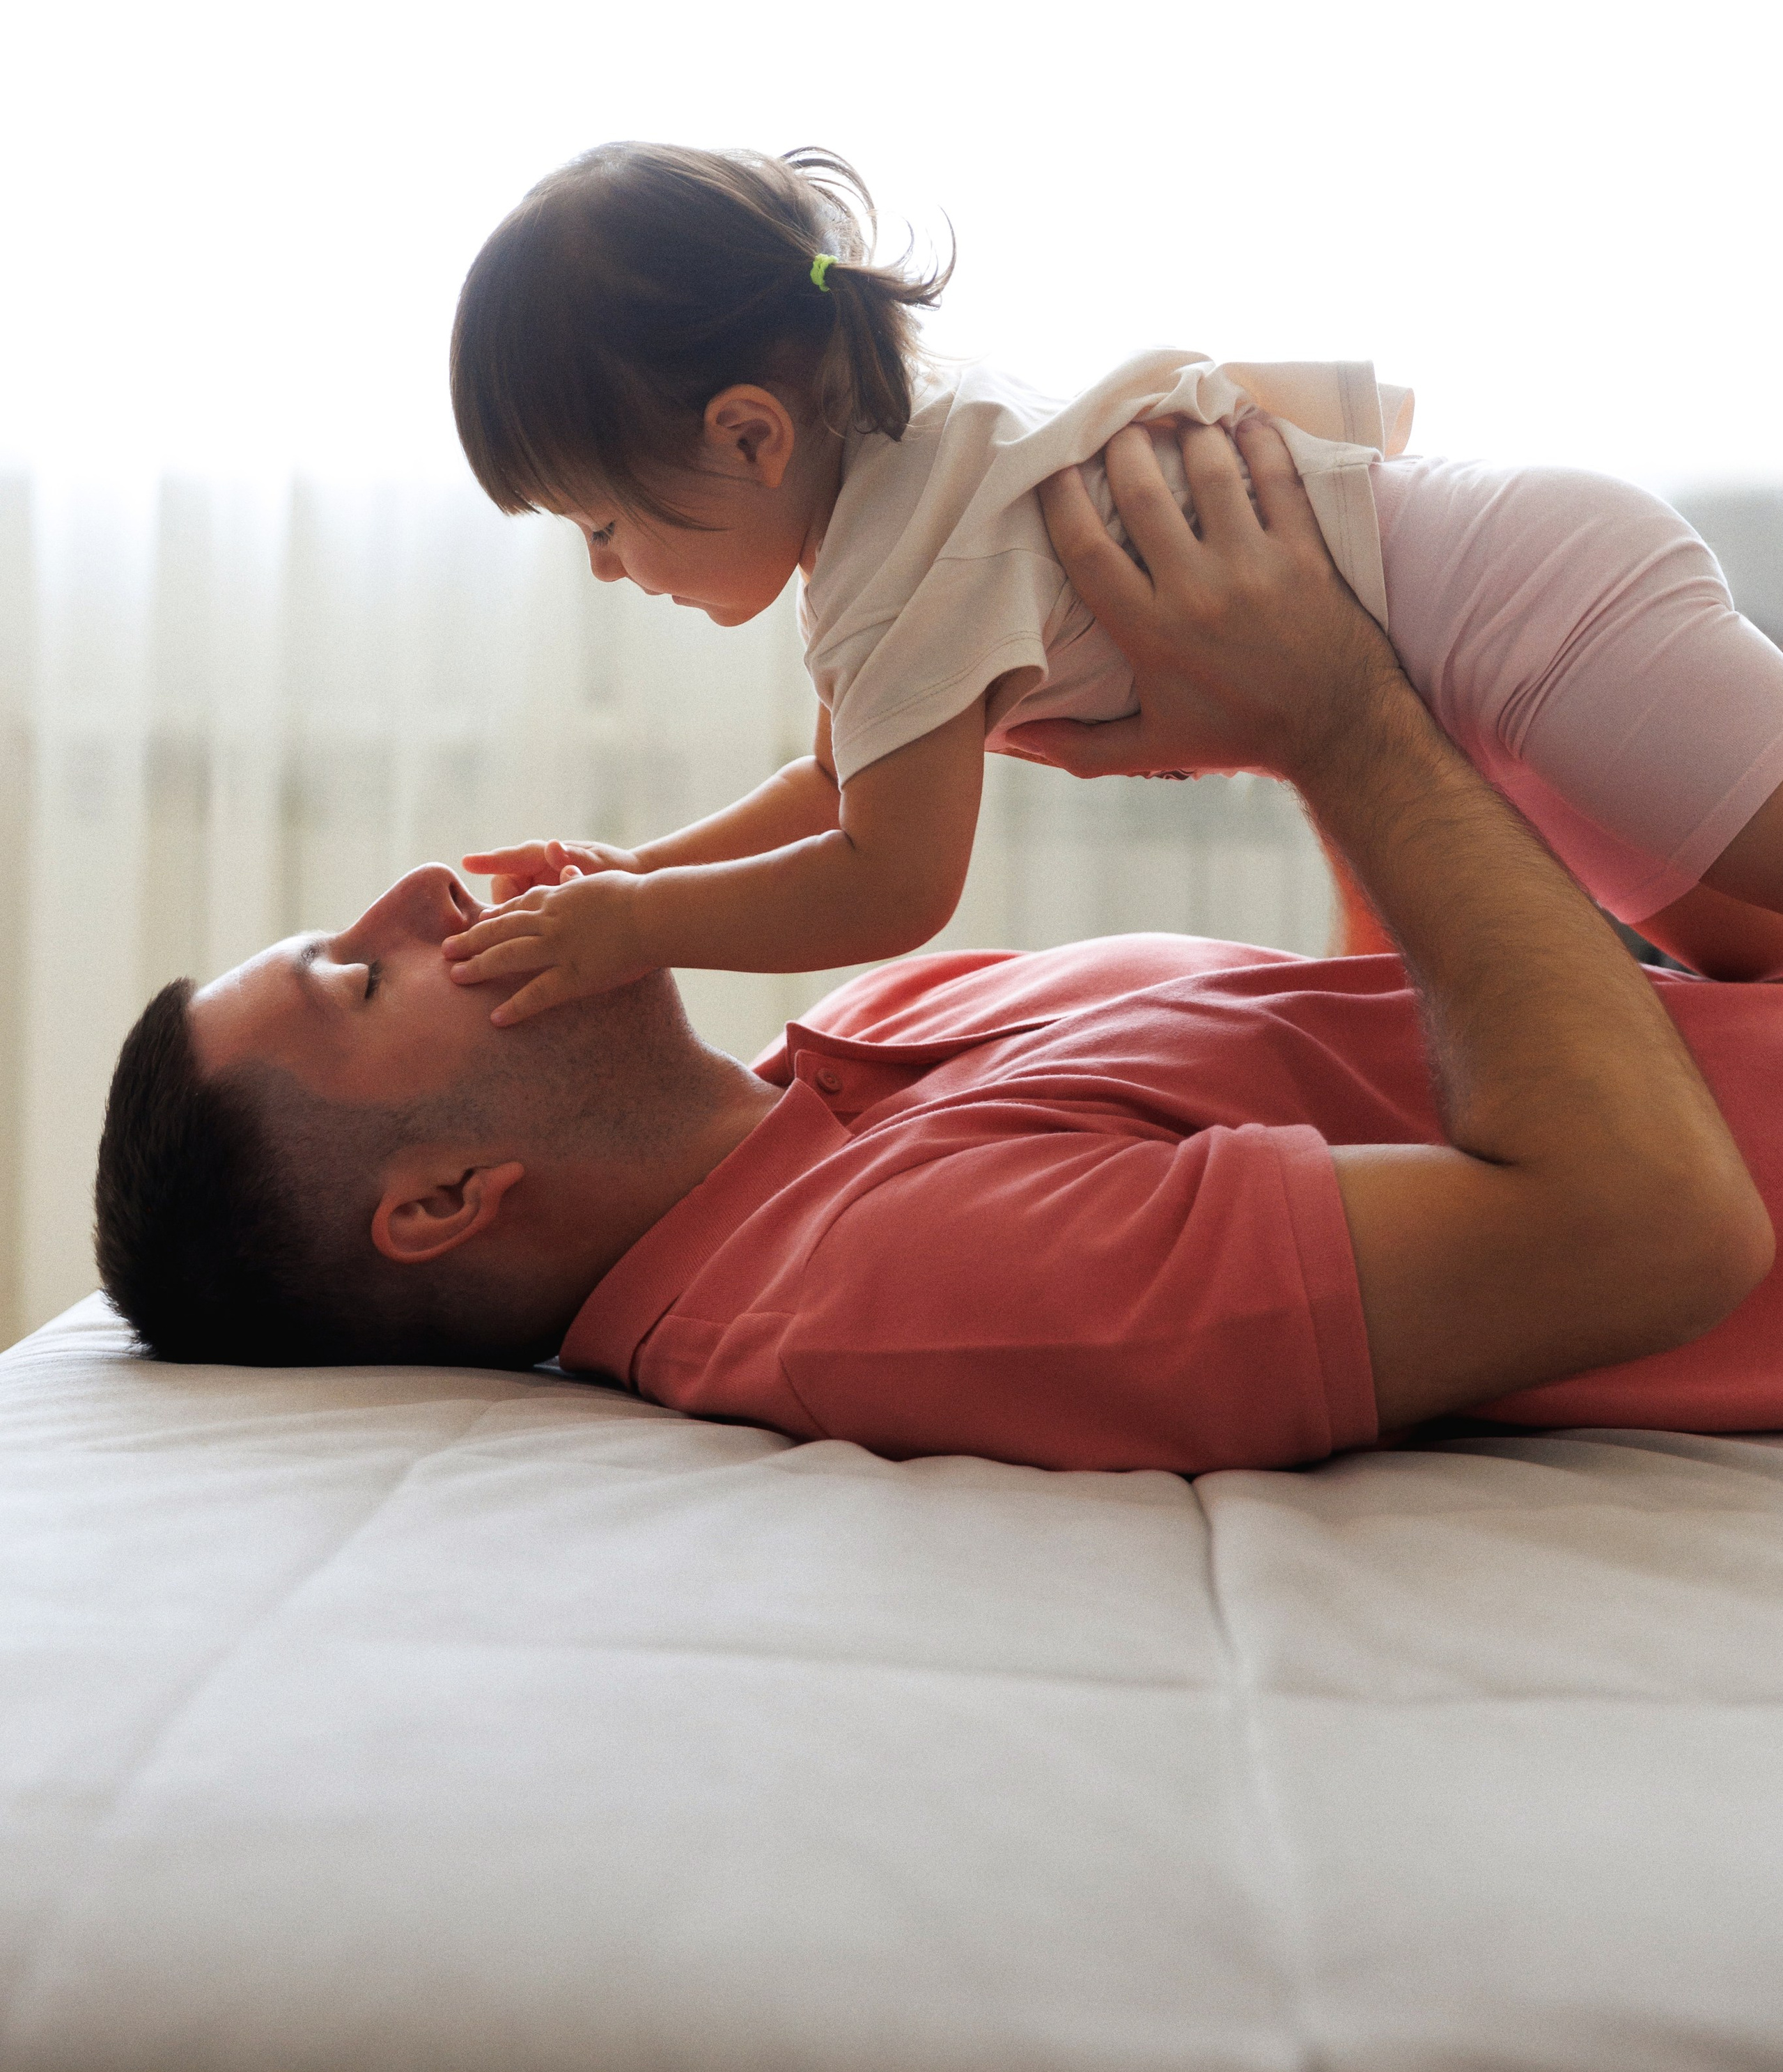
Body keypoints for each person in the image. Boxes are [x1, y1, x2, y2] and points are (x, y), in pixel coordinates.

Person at [94, 416, 1780, 1476]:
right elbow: (1650, 1230)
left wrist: (1335, 662)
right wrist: (1340, 714)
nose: (415, 889)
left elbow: (1424, 1042)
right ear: (445, 1201)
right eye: (359, 975)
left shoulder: (871, 1023)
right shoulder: (890, 1283)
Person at [439, 139, 1783, 1029]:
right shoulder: (900, 483)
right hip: (1506, 618)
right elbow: (843, 790)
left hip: (1535, 617)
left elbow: (888, 882)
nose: (604, 566)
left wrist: (638, 924)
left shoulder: (901, 566)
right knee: (1748, 968)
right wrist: (637, 869)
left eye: (600, 522)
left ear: (750, 436)